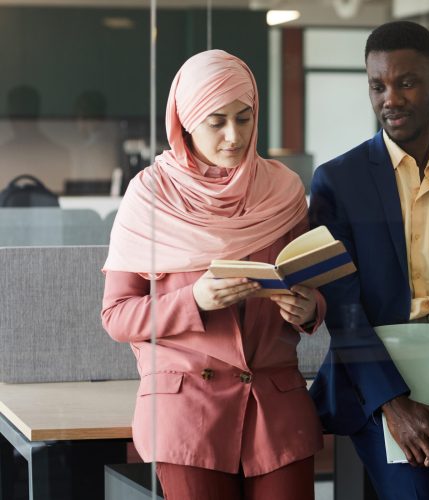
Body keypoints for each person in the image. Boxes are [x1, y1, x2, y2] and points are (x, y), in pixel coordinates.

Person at [101, 50, 324, 500]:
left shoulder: (282, 189)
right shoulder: (150, 195)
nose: (234, 136)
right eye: (216, 121)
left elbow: (312, 286)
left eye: (244, 118)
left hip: (276, 408)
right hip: (185, 410)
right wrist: (194, 300)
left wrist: (309, 308)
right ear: (185, 121)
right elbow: (118, 316)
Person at [308, 21, 429, 500]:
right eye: (377, 86)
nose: (390, 99)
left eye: (406, 82)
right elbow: (343, 307)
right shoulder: (337, 182)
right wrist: (393, 406)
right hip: (378, 381)